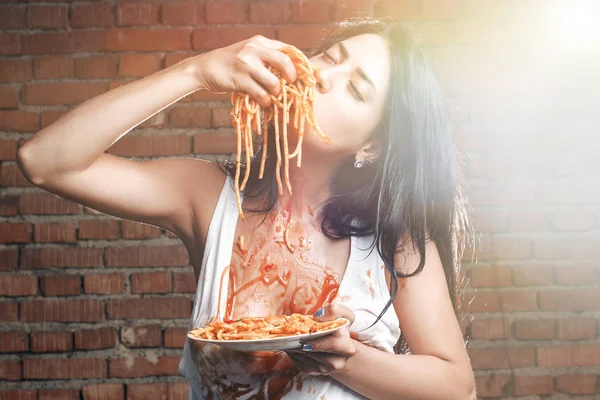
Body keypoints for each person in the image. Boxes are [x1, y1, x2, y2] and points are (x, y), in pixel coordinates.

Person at [17, 16, 476, 400]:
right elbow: (45, 162)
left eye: (355, 89)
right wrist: (194, 73)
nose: (321, 76)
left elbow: (458, 388)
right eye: (329, 59)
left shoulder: (393, 237)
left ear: (371, 146)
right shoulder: (207, 194)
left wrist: (348, 359)